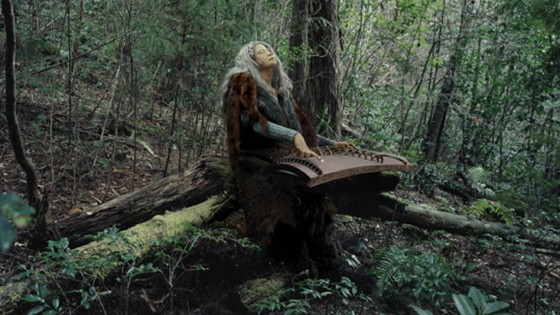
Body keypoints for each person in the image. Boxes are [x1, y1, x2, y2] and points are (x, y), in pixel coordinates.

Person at [221, 41, 352, 275]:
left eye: (270, 49)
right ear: (251, 60)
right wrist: (293, 137)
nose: (269, 52)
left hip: (283, 157)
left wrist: (332, 144)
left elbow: (301, 131)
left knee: (316, 198)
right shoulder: (242, 81)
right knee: (282, 208)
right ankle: (289, 266)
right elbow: (253, 124)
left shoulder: (282, 92)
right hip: (253, 159)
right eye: (261, 51)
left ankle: (328, 264)